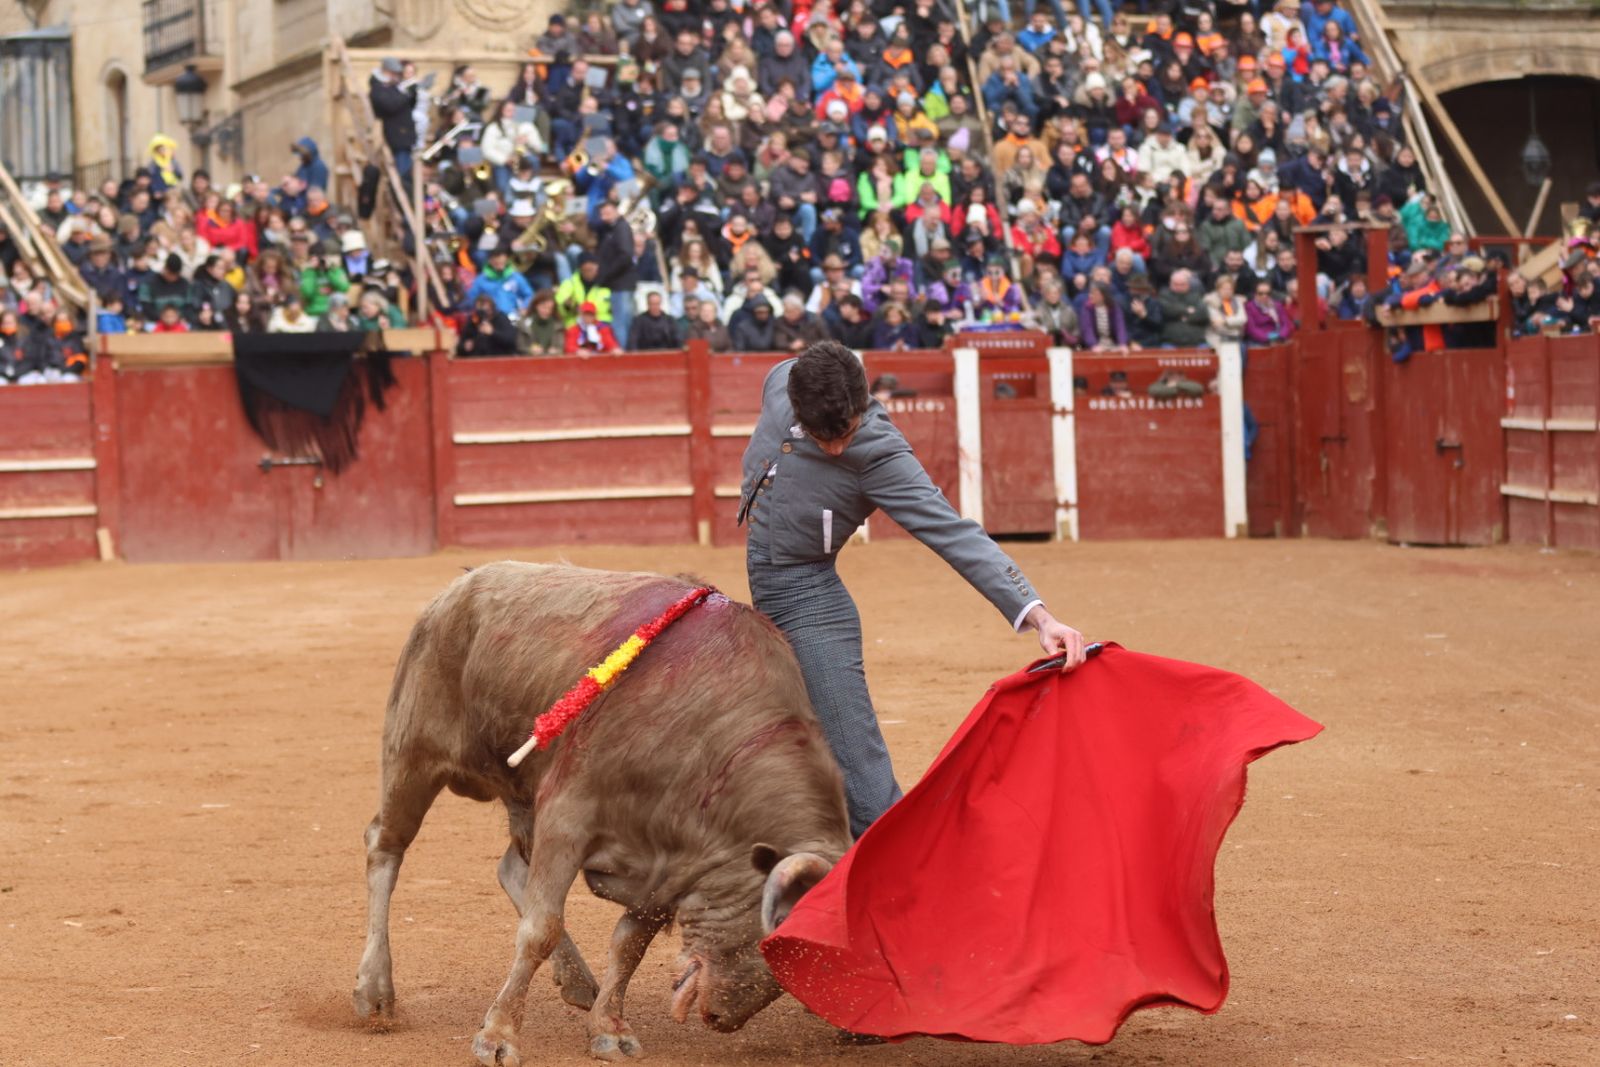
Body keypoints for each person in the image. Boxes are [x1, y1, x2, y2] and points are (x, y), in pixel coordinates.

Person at [739, 341, 1086, 836]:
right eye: (824, 438)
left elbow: (953, 532)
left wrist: (1038, 615)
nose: (838, 448)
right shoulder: (782, 381)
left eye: (847, 433)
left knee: (857, 768)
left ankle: (903, 873)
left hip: (807, 595)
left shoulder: (878, 452)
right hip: (764, 587)